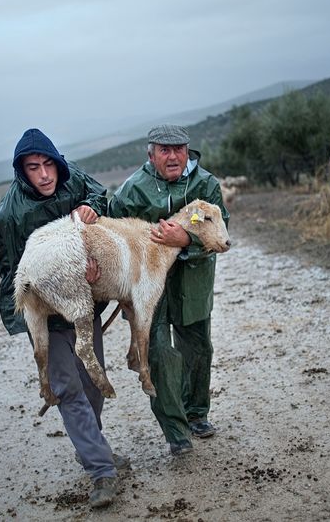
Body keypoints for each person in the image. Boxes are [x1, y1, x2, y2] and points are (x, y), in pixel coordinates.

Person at [0, 128, 127, 508]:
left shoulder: (73, 178)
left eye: (49, 164)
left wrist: (92, 209)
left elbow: (101, 195)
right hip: (47, 315)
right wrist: (51, 281)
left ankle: (91, 447)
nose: (45, 174)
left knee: (94, 385)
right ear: (23, 172)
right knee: (68, 390)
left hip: (84, 304)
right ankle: (102, 471)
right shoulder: (9, 215)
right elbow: (10, 266)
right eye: (34, 168)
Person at [108, 124, 229, 456]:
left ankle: (197, 413)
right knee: (159, 355)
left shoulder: (205, 185)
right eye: (165, 150)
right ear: (151, 154)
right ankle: (176, 430)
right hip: (148, 289)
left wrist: (186, 238)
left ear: (188, 152)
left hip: (192, 280)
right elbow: (115, 234)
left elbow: (220, 231)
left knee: (199, 348)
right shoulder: (132, 190)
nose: (173, 156)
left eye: (179, 150)